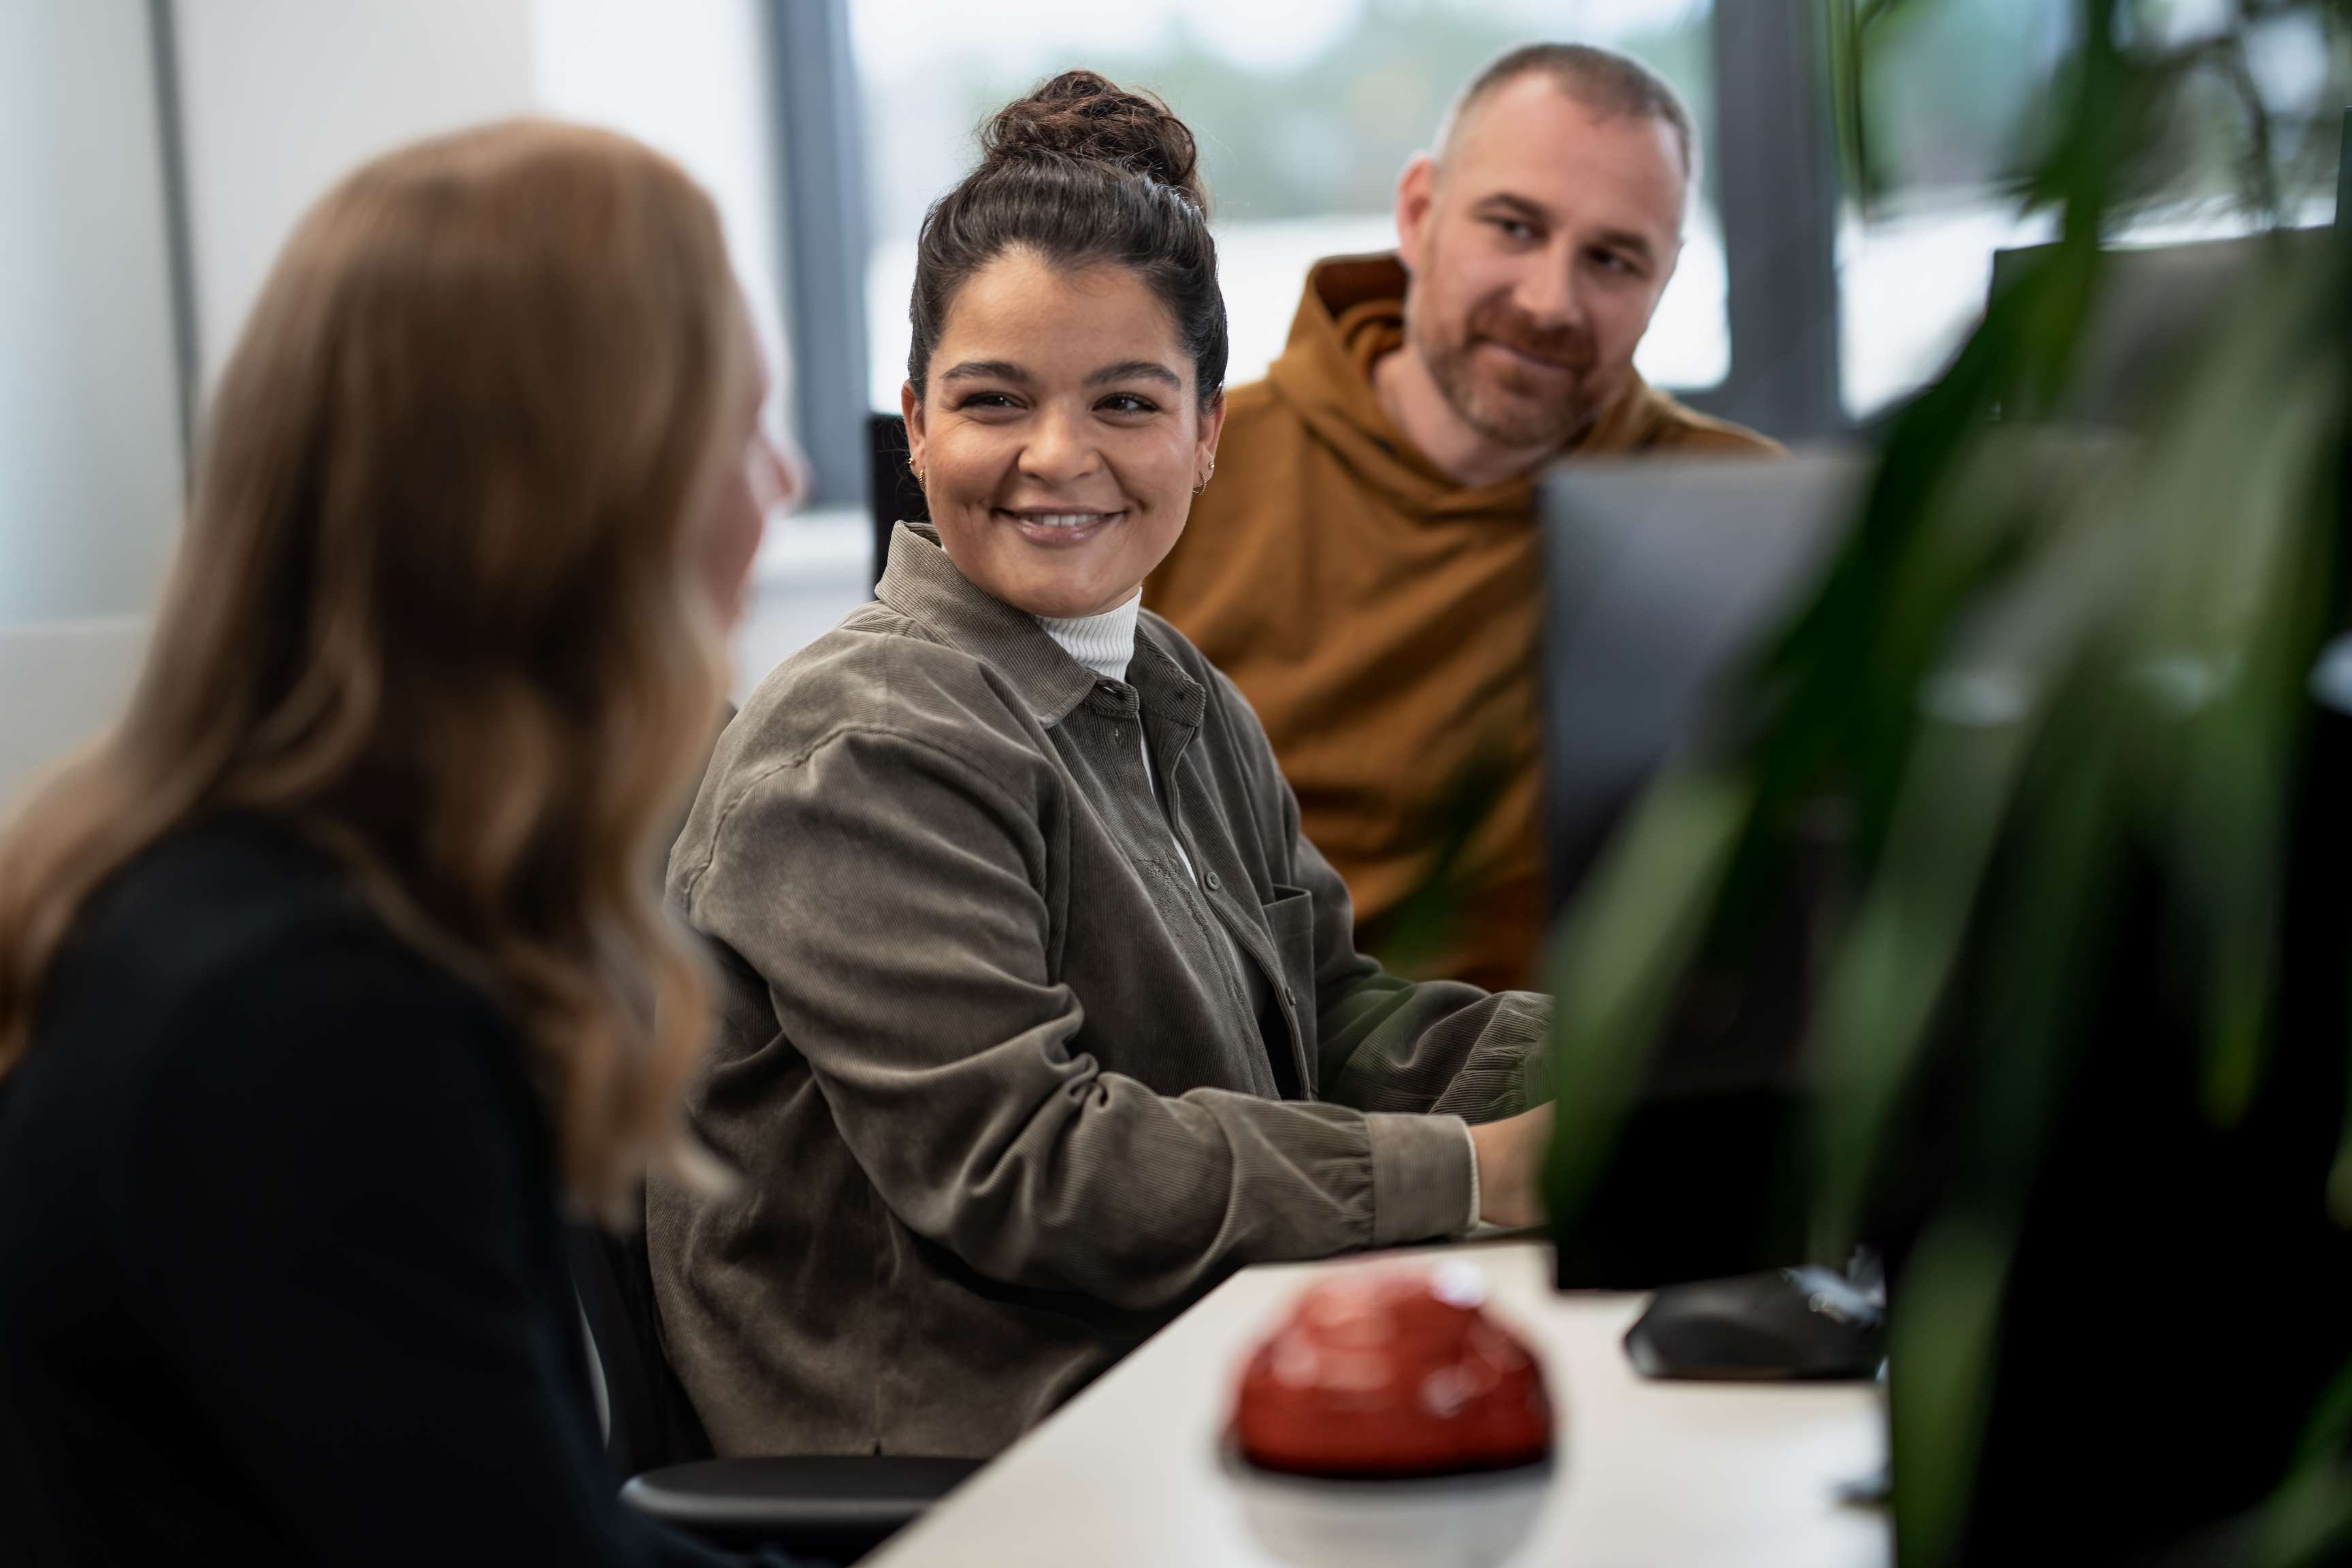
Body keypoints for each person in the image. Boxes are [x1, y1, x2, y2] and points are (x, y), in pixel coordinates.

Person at [649, 71, 1556, 1463]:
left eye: (1126, 403)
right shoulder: (869, 742)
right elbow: (1030, 1168)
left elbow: (1331, 1018)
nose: (1055, 458)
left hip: (1169, 1361)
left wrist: (1649, 1058)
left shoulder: (1165, 686)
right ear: (918, 423)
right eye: (993, 400)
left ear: (1207, 432)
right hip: (982, 1460)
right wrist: (1475, 1173)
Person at [0, 122, 802, 1565]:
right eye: (739, 429)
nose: (784, 483)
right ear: (574, 506)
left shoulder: (227, 903)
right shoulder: (310, 1012)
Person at [1145, 44, 1780, 995]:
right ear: (1418, 212)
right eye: (1516, 228)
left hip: (1596, 1092)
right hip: (1264, 1076)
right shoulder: (1183, 474)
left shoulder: (1747, 513)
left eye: (1613, 259)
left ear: (1666, 278)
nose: (1551, 302)